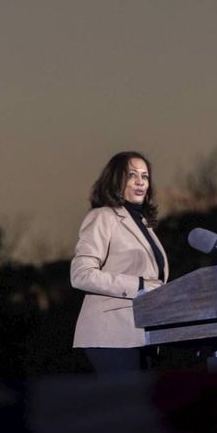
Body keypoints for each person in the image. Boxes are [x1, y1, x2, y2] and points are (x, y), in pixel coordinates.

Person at [70, 151, 169, 375]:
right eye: (132, 175)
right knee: (128, 404)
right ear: (116, 180)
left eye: (145, 176)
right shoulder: (102, 217)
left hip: (144, 333)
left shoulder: (145, 225)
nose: (140, 182)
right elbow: (81, 275)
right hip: (111, 334)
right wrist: (141, 285)